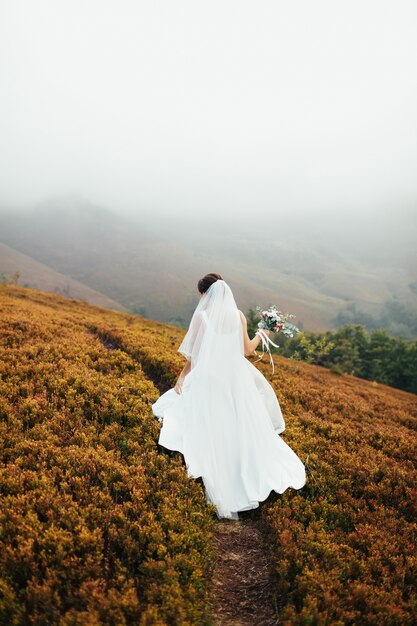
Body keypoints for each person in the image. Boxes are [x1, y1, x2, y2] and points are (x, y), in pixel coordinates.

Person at [152, 273, 306, 520]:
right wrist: (262, 333)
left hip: (211, 376)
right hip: (236, 377)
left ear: (205, 294)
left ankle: (216, 465)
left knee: (203, 417)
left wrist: (182, 377)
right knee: (239, 421)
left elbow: (196, 354)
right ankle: (242, 469)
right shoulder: (238, 316)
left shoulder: (203, 316)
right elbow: (246, 350)